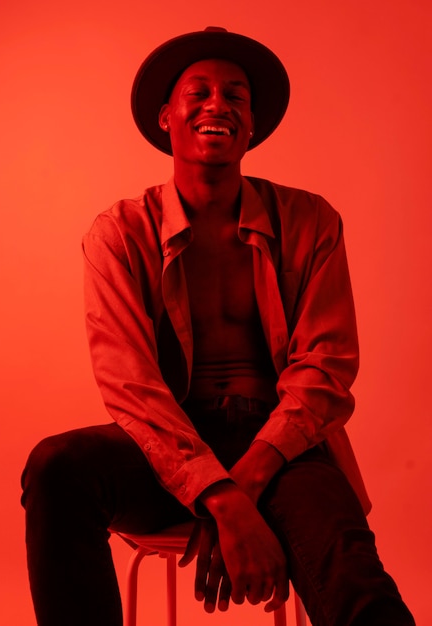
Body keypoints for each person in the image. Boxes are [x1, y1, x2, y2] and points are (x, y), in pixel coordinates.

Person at [21, 27, 416, 626]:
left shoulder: (311, 221)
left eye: (235, 95)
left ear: (251, 123)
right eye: (198, 92)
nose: (218, 105)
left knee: (354, 579)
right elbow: (130, 385)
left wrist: (245, 484)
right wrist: (219, 496)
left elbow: (326, 367)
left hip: (284, 451)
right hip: (166, 453)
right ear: (166, 117)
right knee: (56, 467)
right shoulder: (120, 233)